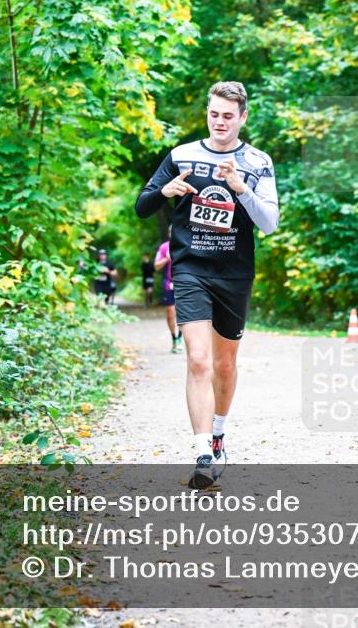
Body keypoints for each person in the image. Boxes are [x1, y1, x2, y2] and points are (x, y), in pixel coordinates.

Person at [135, 81, 278, 489]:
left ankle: (218, 433)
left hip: (234, 273)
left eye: (228, 116)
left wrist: (241, 188)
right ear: (208, 114)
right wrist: (164, 190)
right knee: (197, 359)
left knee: (224, 364)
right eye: (214, 114)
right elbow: (142, 205)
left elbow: (269, 223)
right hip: (190, 268)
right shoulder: (182, 155)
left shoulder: (257, 161)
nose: (220, 122)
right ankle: (201, 451)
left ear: (243, 118)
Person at [154, 233, 182, 353]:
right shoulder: (164, 247)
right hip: (169, 284)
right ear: (170, 233)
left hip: (184, 284)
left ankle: (180, 339)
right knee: (171, 314)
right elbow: (156, 266)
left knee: (183, 313)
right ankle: (174, 338)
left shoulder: (185, 244)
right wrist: (167, 258)